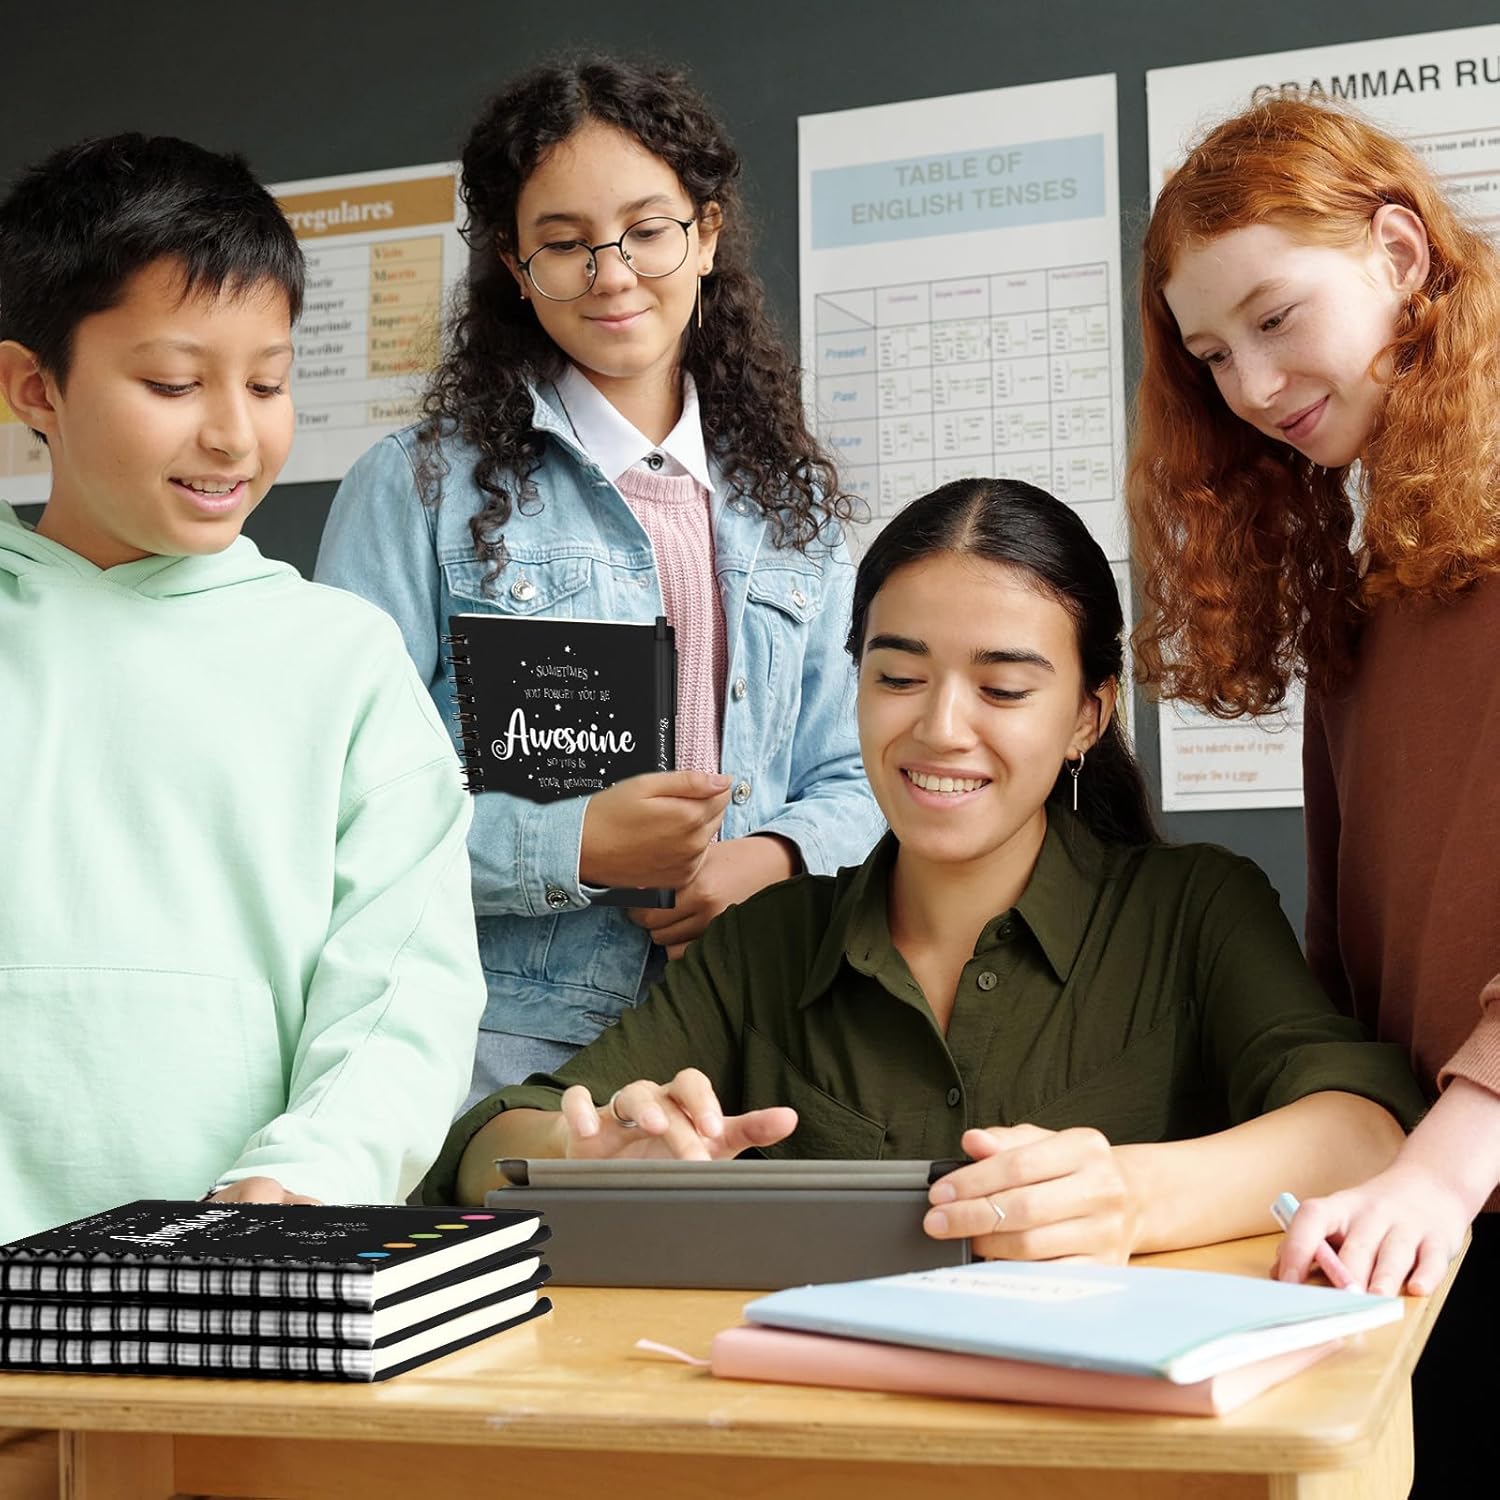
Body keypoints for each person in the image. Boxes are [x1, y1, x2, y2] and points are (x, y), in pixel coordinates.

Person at [427, 477, 1425, 1268]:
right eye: (898, 677)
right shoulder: (770, 940)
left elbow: (1370, 1131)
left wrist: (1133, 1195)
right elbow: (484, 1144)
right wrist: (588, 1155)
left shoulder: (1194, 910)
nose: (941, 728)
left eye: (1003, 688)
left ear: (1087, 716)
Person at [316, 58, 883, 1109]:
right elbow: (343, 814)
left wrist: (776, 858)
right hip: (511, 1053)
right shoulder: (416, 489)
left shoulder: (791, 501)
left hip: (762, 1036)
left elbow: (861, 771)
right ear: (515, 266)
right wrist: (572, 844)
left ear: (706, 234)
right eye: (565, 244)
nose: (611, 274)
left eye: (646, 231)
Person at [0, 134, 486, 1242]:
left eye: (268, 383)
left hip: (237, 1280)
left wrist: (309, 1174)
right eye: (174, 383)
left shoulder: (341, 662)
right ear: (35, 386)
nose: (234, 433)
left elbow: (403, 982)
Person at [1129, 95, 1500, 1495]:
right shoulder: (1367, 583)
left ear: (1400, 254)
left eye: (1276, 317)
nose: (1251, 384)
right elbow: (1354, 951)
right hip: (1427, 1212)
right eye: (1213, 355)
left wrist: (1451, 1157)